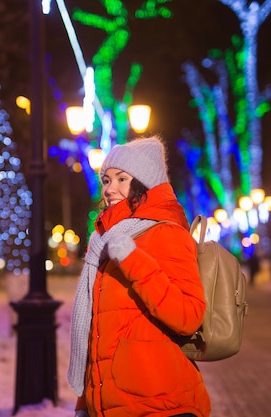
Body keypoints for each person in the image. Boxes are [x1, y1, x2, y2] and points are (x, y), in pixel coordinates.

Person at [68, 136, 211, 417]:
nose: (110, 189)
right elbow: (97, 330)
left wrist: (133, 260)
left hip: (160, 404)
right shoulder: (106, 240)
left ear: (145, 183)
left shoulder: (166, 233)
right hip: (111, 404)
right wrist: (86, 402)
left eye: (122, 179)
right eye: (107, 180)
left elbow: (189, 315)